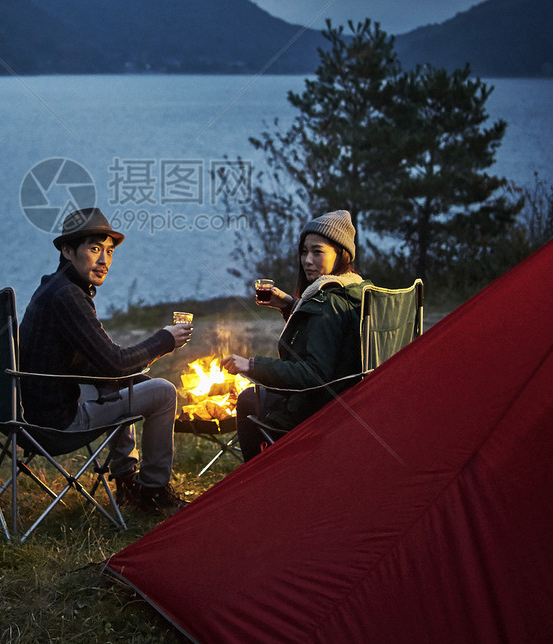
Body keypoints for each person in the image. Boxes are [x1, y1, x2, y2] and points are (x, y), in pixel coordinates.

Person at [19, 207, 192, 513]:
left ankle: (126, 482)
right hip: (58, 423)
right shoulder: (68, 297)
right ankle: (153, 490)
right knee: (163, 392)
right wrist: (164, 340)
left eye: (109, 252)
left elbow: (103, 364)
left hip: (39, 410)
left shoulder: (53, 287)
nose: (104, 261)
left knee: (123, 383)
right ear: (67, 250)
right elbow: (114, 360)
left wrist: (124, 373)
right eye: (95, 249)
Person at [223, 210, 371, 460]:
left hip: (317, 408)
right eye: (304, 251)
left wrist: (251, 365)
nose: (307, 260)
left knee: (249, 398)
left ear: (341, 253)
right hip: (352, 401)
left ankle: (256, 478)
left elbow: (312, 374)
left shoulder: (328, 303)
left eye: (318, 251)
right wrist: (289, 305)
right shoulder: (354, 290)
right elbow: (328, 333)